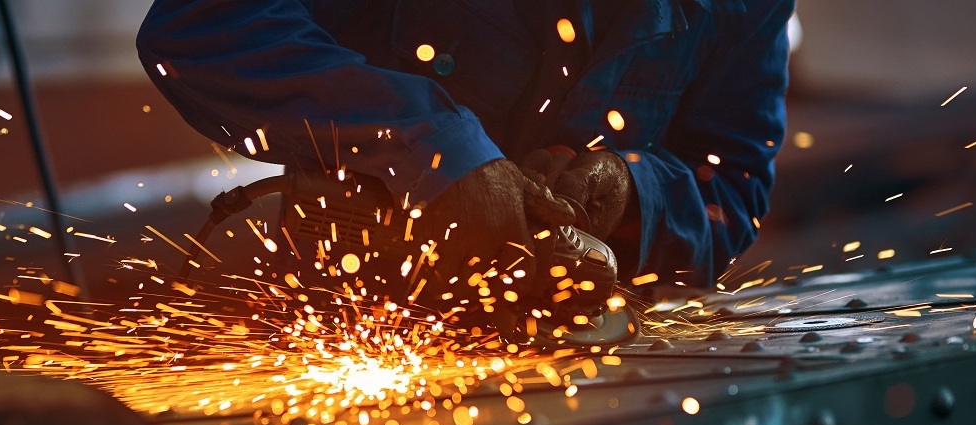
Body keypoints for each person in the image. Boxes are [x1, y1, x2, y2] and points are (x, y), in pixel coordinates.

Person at [137, 0, 793, 291]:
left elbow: (730, 187)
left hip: (606, 367)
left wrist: (631, 193)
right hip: (357, 335)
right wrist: (429, 145)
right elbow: (202, 28)